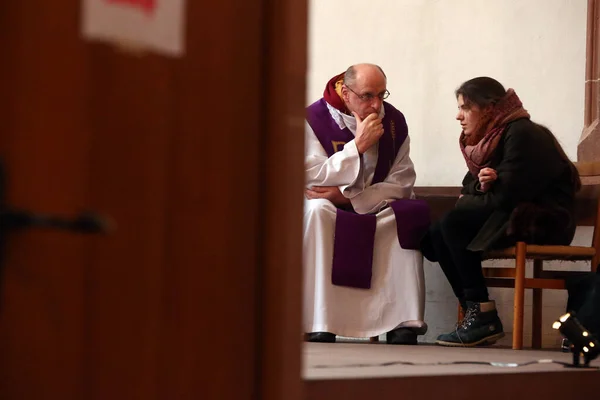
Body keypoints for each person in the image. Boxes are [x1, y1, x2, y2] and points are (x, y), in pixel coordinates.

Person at [420, 76, 581, 347]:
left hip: (542, 219)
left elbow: (505, 195)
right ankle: (476, 311)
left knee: (453, 224)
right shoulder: (495, 136)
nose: (458, 116)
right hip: (513, 211)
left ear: (489, 108)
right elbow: (470, 185)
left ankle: (482, 313)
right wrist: (482, 187)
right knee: (437, 233)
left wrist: (480, 190)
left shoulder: (522, 134)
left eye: (465, 107)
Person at [303, 63, 429, 345]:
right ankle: (321, 320)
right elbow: (311, 176)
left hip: (369, 202)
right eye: (367, 96)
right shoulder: (314, 119)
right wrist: (356, 147)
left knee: (404, 215)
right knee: (318, 211)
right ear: (346, 93)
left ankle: (402, 320)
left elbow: (402, 180)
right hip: (324, 205)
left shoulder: (395, 123)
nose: (375, 105)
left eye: (381, 95)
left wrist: (351, 198)